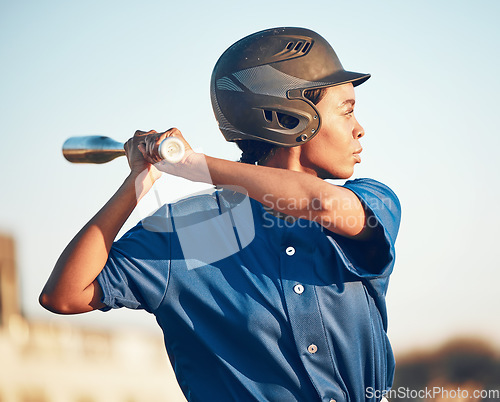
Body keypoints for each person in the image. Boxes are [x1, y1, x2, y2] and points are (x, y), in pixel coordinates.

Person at [40, 27, 401, 402]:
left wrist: (194, 165)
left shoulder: (368, 203)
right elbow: (64, 295)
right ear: (288, 117)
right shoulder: (199, 231)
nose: (360, 129)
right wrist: (137, 181)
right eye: (347, 111)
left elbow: (321, 205)